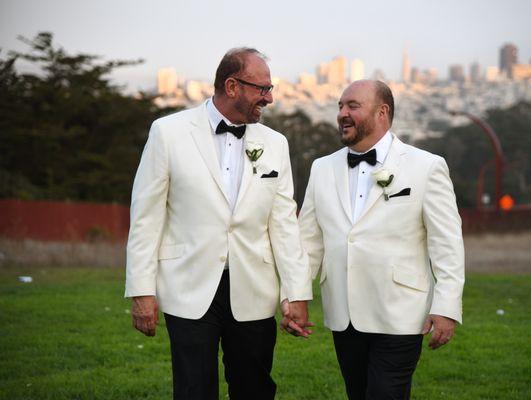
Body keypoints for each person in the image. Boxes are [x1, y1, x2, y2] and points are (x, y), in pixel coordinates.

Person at [125, 47, 313, 400]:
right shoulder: (168, 133)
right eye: (262, 88)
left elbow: (285, 224)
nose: (269, 98)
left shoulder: (276, 144)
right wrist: (141, 291)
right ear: (232, 86)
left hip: (254, 290)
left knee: (254, 388)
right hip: (188, 286)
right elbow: (146, 217)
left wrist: (297, 293)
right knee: (194, 389)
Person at [297, 79, 465, 399]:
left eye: (353, 106)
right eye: (340, 106)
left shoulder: (427, 167)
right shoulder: (322, 168)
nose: (342, 114)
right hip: (343, 313)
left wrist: (446, 306)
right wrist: (297, 295)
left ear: (382, 113)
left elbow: (447, 243)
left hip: (401, 312)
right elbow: (310, 240)